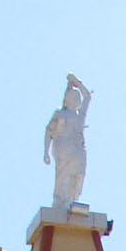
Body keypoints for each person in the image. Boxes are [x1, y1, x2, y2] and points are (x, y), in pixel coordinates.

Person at [44, 74, 92, 208]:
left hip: (78, 150)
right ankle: (60, 201)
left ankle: (72, 199)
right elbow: (49, 132)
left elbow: (87, 97)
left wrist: (77, 82)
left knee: (78, 175)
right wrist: (46, 152)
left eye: (77, 98)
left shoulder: (80, 116)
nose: (77, 100)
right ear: (67, 99)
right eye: (74, 97)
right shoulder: (60, 114)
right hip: (63, 148)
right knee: (63, 175)